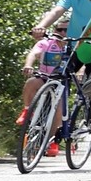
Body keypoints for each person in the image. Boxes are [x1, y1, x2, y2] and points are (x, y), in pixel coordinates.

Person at [18, 19, 68, 155]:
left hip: (61, 82)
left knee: (59, 109)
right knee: (31, 82)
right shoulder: (46, 43)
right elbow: (33, 53)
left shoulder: (73, 46)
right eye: (59, 30)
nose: (63, 33)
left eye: (66, 30)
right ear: (54, 31)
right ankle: (27, 110)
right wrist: (28, 65)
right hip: (44, 76)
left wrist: (81, 73)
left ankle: (51, 141)